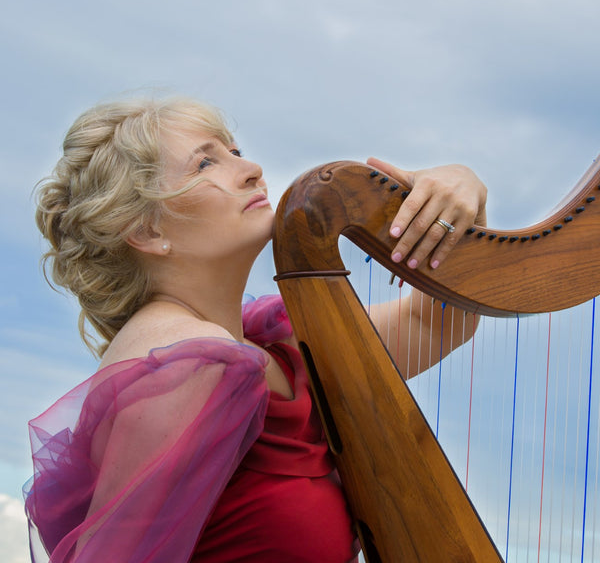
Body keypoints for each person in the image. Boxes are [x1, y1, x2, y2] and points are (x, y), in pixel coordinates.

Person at [24, 96, 487, 562]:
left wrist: (459, 190)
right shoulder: (188, 362)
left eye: (236, 153)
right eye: (205, 162)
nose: (252, 169)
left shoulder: (265, 344)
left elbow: (436, 322)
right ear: (145, 231)